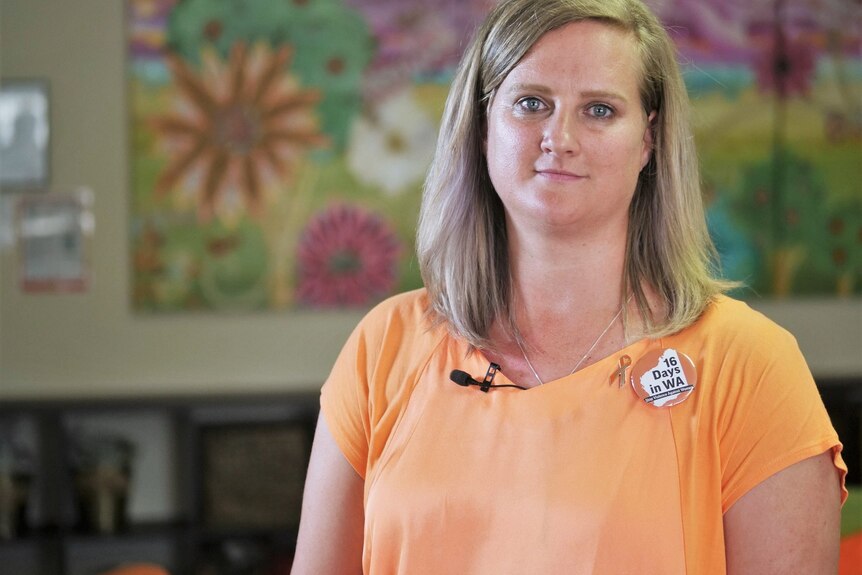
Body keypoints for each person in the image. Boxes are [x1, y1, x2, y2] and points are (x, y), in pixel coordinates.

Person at [292, 0, 847, 573]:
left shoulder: (752, 366)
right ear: (483, 127)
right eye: (532, 103)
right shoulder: (383, 347)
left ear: (648, 141)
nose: (560, 137)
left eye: (600, 110)